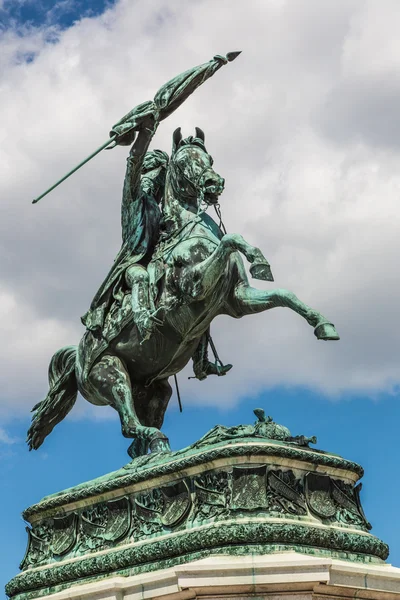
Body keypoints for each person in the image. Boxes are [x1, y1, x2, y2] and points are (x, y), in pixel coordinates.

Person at [81, 118, 231, 380]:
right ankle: (144, 323)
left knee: (195, 292)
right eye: (149, 174)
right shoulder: (134, 202)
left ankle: (201, 360)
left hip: (159, 262)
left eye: (158, 178)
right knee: (139, 275)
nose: (152, 181)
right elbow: (133, 163)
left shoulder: (166, 213)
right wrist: (146, 132)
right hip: (132, 266)